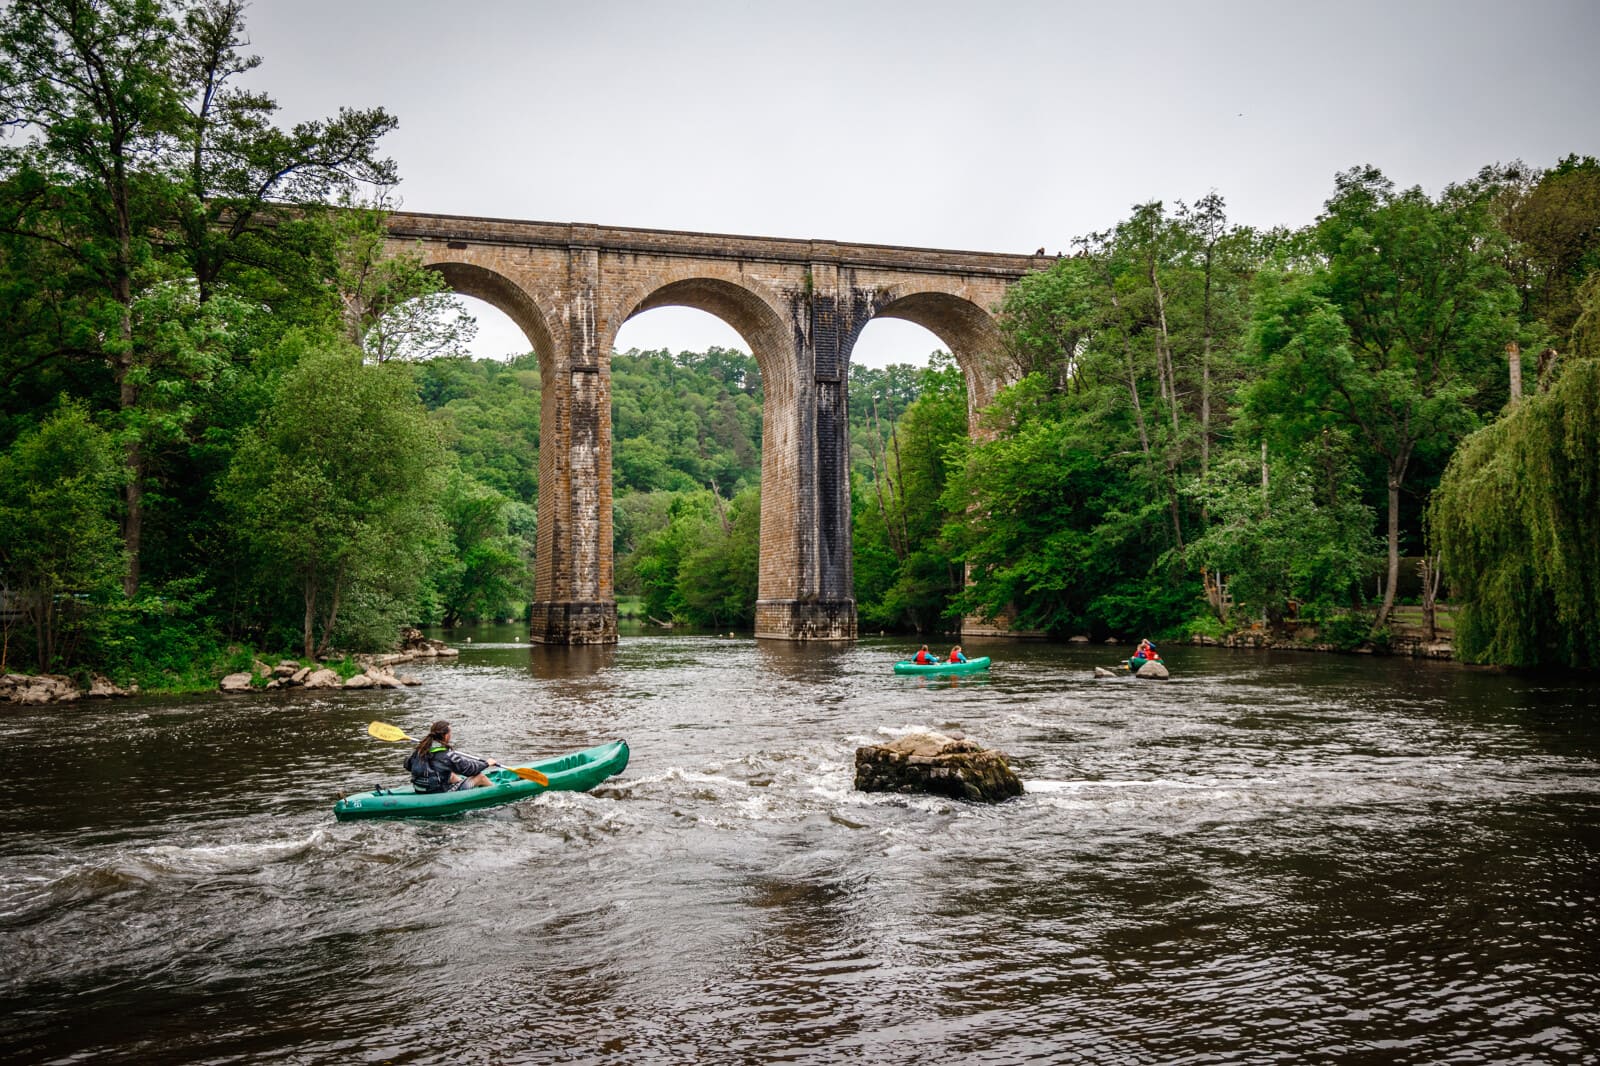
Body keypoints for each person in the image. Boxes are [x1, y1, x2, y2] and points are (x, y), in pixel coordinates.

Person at [404, 720, 499, 794]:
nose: (451, 735)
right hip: (438, 792)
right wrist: (487, 763)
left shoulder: (421, 749)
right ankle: (496, 792)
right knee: (480, 777)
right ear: (445, 736)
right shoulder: (447, 755)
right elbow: (469, 770)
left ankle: (464, 786)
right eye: (450, 733)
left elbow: (407, 765)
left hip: (420, 789)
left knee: (451, 775)